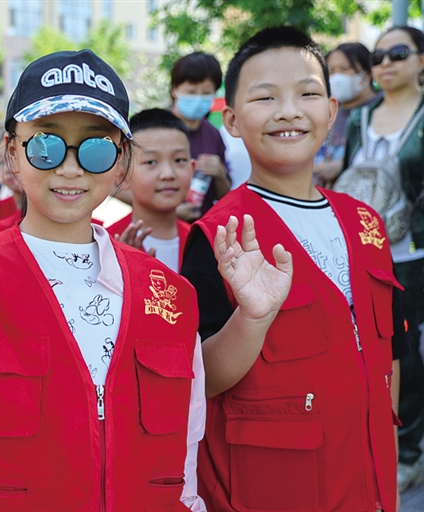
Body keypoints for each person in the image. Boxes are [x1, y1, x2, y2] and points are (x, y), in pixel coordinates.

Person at [0, 48, 293, 511]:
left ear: (120, 162)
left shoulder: (169, 293)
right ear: (12, 152)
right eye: (46, 144)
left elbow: (183, 458)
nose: (69, 167)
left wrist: (254, 317)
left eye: (96, 148)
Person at [182, 26, 407, 511]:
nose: (289, 111)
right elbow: (201, 379)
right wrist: (252, 319)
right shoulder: (220, 236)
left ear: (331, 111)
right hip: (270, 489)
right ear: (232, 120)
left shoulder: (367, 224)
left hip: (368, 488)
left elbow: (391, 356)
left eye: (307, 94)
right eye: (266, 98)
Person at [341, 25, 424, 494]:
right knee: (375, 351)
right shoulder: (359, 117)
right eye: (377, 56)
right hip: (362, 250)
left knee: (407, 353)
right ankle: (379, 443)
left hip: (412, 252)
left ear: (421, 60)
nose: (385, 63)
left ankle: (408, 452)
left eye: (398, 53)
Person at [106, 108, 193, 272]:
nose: (168, 174)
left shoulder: (203, 241)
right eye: (151, 162)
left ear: (192, 168)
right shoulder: (106, 244)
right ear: (123, 175)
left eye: (179, 160)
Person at [169, 52, 231, 220]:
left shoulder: (213, 134)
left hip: (202, 226)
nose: (198, 98)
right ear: (175, 89)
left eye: (206, 93)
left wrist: (219, 173)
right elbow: (122, 185)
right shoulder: (155, 128)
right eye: (191, 91)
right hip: (160, 229)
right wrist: (167, 213)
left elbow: (224, 195)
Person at [312, 42, 379, 187]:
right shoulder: (327, 112)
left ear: (367, 74)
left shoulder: (381, 108)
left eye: (345, 68)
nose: (336, 77)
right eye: (331, 71)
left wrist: (341, 166)